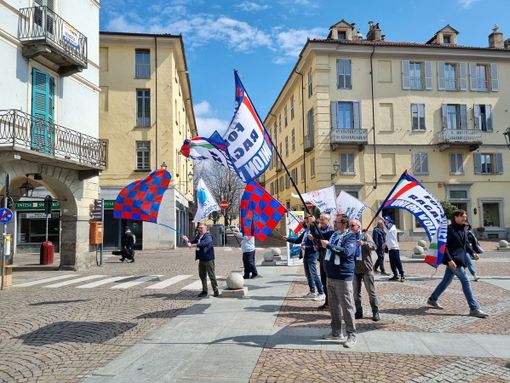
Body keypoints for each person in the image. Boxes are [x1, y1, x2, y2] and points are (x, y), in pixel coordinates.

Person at [427, 210, 488, 318]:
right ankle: (474, 308)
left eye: (465, 216)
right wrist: (449, 260)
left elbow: (465, 244)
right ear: (455, 217)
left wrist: (472, 252)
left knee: (446, 281)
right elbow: (443, 246)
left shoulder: (464, 228)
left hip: (460, 259)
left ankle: (433, 299)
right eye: (462, 217)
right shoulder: (449, 229)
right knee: (465, 281)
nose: (464, 219)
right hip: (453, 260)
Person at [320, 215, 357, 348]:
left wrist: (329, 246)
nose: (334, 223)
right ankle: (336, 332)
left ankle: (352, 335)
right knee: (334, 306)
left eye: (337, 222)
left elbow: (346, 252)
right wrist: (312, 223)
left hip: (343, 277)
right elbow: (318, 234)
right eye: (334, 221)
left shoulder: (351, 237)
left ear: (345, 224)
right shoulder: (334, 235)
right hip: (331, 276)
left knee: (347, 307)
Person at [284, 215, 325, 301]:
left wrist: (307, 248)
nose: (305, 223)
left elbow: (317, 245)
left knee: (314, 275)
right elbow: (299, 240)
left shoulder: (314, 231)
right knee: (308, 275)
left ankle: (321, 293)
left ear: (310, 221)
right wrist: (288, 239)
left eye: (306, 221)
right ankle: (312, 291)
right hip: (305, 255)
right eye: (305, 222)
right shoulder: (306, 230)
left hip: (312, 255)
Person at [182, 223, 219, 298]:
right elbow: (192, 241)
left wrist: (192, 245)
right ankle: (204, 291)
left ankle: (216, 290)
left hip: (208, 259)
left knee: (211, 275)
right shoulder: (199, 236)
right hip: (201, 259)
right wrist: (187, 240)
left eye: (202, 228)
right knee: (202, 275)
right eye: (199, 228)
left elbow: (203, 244)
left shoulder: (208, 236)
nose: (200, 229)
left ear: (206, 229)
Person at [309, 214, 335, 311]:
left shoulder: (331, 231)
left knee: (329, 282)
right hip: (322, 257)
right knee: (324, 282)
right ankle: (327, 302)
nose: (320, 220)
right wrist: (318, 246)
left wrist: (313, 224)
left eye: (322, 219)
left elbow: (320, 235)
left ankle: (332, 303)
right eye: (320, 219)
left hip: (329, 260)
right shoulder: (322, 229)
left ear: (328, 220)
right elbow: (319, 239)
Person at [383, 216, 405, 282]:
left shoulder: (392, 226)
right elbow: (388, 237)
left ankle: (402, 275)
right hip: (390, 248)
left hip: (395, 247)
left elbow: (388, 228)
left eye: (386, 220)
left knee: (397, 262)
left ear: (389, 221)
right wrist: (385, 244)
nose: (385, 221)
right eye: (385, 220)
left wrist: (382, 220)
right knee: (392, 263)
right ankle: (395, 275)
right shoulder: (387, 228)